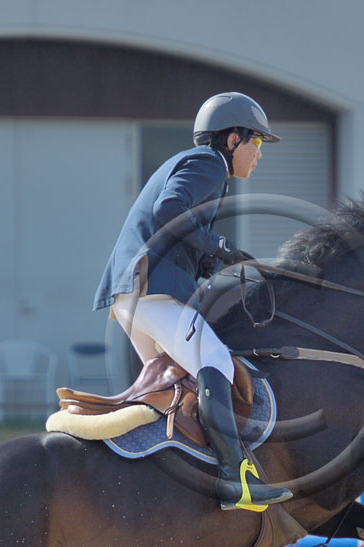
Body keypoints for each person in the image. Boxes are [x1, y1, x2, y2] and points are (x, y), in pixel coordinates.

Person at [93, 91, 291, 512]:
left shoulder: (203, 169)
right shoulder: (208, 165)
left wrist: (219, 261)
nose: (259, 155)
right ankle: (234, 479)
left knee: (171, 384)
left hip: (132, 296)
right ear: (233, 139)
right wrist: (222, 246)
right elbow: (169, 211)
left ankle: (167, 479)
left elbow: (179, 235)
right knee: (215, 363)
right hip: (150, 292)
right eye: (256, 143)